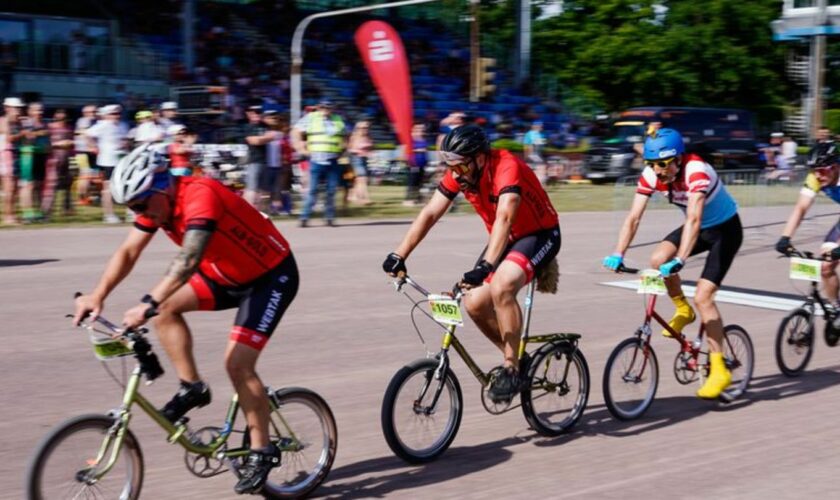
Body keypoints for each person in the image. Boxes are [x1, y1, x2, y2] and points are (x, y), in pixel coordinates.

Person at [73, 143, 299, 494]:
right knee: (166, 310)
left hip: (269, 277)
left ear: (162, 188)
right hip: (225, 274)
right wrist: (97, 295)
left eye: (141, 205)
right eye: (132, 208)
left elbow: (188, 258)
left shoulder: (201, 195)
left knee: (238, 364)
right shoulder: (157, 204)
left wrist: (146, 302)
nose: (139, 213)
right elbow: (128, 251)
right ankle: (192, 387)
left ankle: (262, 449)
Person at [382, 124, 561, 404]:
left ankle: (511, 368)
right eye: (450, 166)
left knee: (502, 286)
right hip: (507, 239)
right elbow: (430, 212)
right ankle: (517, 358)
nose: (455, 174)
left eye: (460, 167)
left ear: (480, 158)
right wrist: (400, 254)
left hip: (539, 235)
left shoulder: (506, 167)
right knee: (474, 303)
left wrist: (487, 266)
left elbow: (504, 218)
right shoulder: (461, 172)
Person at [602, 128, 742, 399]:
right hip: (699, 229)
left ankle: (719, 368)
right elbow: (633, 218)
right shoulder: (653, 175)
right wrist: (618, 252)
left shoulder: (695, 170)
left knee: (704, 297)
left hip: (725, 231)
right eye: (651, 164)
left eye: (663, 164)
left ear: (678, 159)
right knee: (656, 259)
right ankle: (682, 310)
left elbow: (693, 219)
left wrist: (680, 260)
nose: (657, 170)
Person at [776, 142, 840, 322]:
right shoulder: (815, 177)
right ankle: (836, 310)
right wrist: (785, 238)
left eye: (822, 170)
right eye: (814, 170)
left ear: (835, 167)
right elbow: (801, 208)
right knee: (826, 266)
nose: (817, 175)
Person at [292, 100, 346, 227]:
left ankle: (329, 218)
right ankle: (304, 217)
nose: (325, 110)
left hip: (333, 160)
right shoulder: (311, 117)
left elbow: (344, 135)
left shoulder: (338, 119)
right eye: (322, 107)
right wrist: (300, 148)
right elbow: (295, 131)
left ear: (332, 109)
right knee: (313, 190)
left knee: (331, 190)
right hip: (316, 159)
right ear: (318, 108)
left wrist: (343, 148)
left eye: (328, 107)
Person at [85, 104, 129, 223]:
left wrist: (125, 144)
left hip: (121, 159)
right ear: (106, 115)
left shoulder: (123, 125)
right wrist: (92, 146)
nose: (117, 116)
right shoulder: (102, 125)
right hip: (107, 160)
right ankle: (108, 215)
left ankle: (130, 212)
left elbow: (125, 138)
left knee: (126, 185)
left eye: (118, 113)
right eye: (113, 114)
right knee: (108, 188)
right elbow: (87, 134)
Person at [19, 102, 51, 223]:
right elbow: (28, 137)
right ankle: (27, 213)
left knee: (38, 186)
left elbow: (48, 140)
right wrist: (40, 133)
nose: (40, 112)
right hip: (28, 155)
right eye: (37, 110)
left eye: (41, 110)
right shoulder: (26, 122)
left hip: (41, 155)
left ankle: (37, 212)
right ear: (30, 111)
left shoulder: (45, 123)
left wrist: (49, 148)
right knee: (28, 185)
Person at [42, 108, 75, 217]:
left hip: (67, 159)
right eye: (59, 113)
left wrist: (71, 144)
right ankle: (47, 212)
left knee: (68, 185)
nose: (61, 116)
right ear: (55, 115)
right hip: (53, 160)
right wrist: (59, 144)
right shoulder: (50, 128)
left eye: (63, 113)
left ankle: (66, 210)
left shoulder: (69, 128)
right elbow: (46, 144)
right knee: (51, 184)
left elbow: (73, 144)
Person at [242, 105, 277, 206]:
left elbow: (274, 134)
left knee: (263, 190)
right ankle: (248, 210)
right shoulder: (248, 127)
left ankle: (259, 211)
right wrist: (267, 138)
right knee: (251, 188)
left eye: (258, 112)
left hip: (267, 161)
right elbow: (254, 141)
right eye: (254, 112)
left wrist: (263, 138)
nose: (256, 115)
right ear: (249, 114)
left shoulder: (265, 126)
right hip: (254, 161)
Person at [1, 97, 25, 225]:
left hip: (16, 154)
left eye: (19, 108)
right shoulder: (4, 121)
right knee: (9, 188)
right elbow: (9, 138)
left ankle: (12, 214)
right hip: (6, 154)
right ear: (7, 108)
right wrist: (23, 133)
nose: (18, 111)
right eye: (16, 108)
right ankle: (7, 216)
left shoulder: (18, 123)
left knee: (15, 188)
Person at [74, 104, 98, 206]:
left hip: (87, 151)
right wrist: (92, 146)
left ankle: (85, 197)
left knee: (87, 176)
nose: (92, 114)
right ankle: (82, 198)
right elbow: (85, 135)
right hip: (84, 151)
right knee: (85, 175)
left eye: (94, 112)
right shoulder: (84, 121)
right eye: (90, 112)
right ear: (85, 113)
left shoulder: (94, 121)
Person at [348, 120, 373, 205]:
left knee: (359, 180)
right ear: (357, 128)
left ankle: (352, 196)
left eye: (366, 127)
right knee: (363, 179)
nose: (364, 129)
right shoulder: (354, 137)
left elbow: (370, 148)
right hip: (356, 159)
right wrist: (359, 150)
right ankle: (364, 198)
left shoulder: (368, 137)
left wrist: (368, 151)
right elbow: (350, 149)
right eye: (362, 128)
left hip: (364, 159)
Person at [404, 122, 428, 205]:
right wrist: (419, 150)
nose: (421, 129)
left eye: (422, 128)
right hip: (414, 164)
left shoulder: (423, 139)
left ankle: (418, 199)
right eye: (418, 128)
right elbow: (407, 151)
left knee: (420, 183)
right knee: (412, 182)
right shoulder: (411, 139)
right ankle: (408, 199)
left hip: (422, 164)